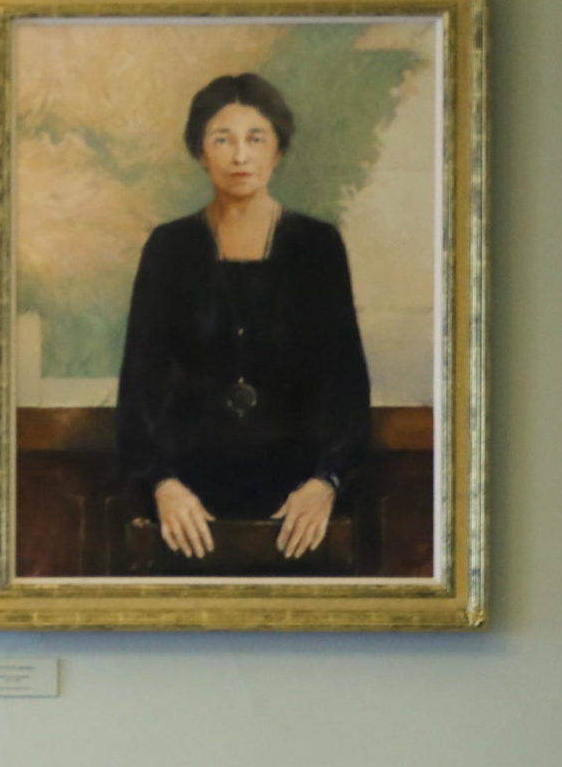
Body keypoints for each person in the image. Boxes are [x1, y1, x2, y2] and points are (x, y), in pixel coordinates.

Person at [117, 72, 372, 564]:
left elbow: (346, 385)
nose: (240, 156)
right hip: (187, 504)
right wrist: (162, 485)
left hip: (296, 502)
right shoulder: (169, 249)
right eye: (222, 139)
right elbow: (139, 387)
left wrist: (325, 482)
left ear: (278, 150)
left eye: (256, 139)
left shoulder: (317, 246)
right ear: (200, 151)